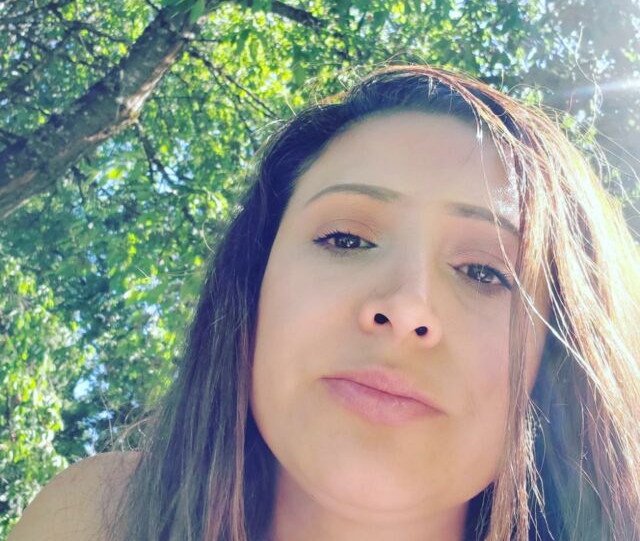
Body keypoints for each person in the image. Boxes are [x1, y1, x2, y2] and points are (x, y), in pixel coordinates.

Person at [9, 66, 640, 541]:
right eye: (345, 238)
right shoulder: (99, 515)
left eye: (484, 271)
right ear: (255, 286)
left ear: (557, 357)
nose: (406, 308)